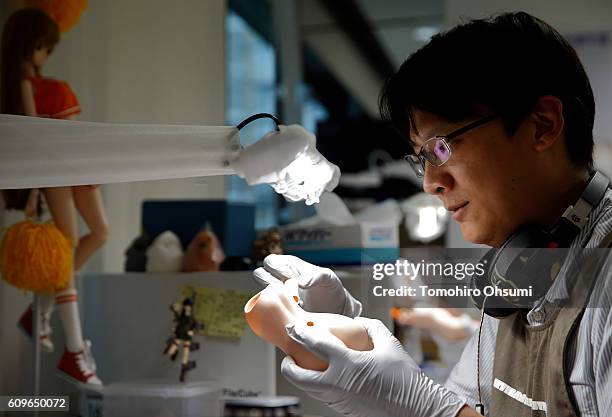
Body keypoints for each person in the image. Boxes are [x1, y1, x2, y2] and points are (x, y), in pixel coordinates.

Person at [254, 12, 612, 417]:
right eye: (421, 159)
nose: (430, 182)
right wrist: (353, 336)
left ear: (542, 126)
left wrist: (423, 407)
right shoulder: (520, 274)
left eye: (441, 147)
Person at [1, 8, 107, 385]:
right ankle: (74, 350)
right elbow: (31, 139)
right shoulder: (22, 86)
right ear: (32, 45)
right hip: (56, 170)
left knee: (99, 233)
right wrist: (33, 186)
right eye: (44, 47)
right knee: (69, 245)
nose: (46, 55)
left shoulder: (40, 84)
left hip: (74, 166)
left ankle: (40, 311)